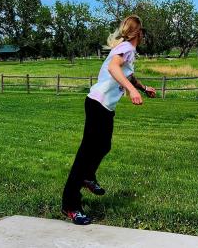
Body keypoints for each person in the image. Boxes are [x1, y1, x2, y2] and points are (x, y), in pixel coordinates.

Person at [61, 15, 156, 225]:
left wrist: (143, 87)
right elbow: (114, 68)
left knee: (104, 145)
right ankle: (70, 205)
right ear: (138, 33)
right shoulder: (126, 49)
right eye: (142, 31)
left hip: (103, 105)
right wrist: (132, 91)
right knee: (85, 154)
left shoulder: (126, 49)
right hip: (98, 103)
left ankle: (87, 176)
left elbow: (127, 74)